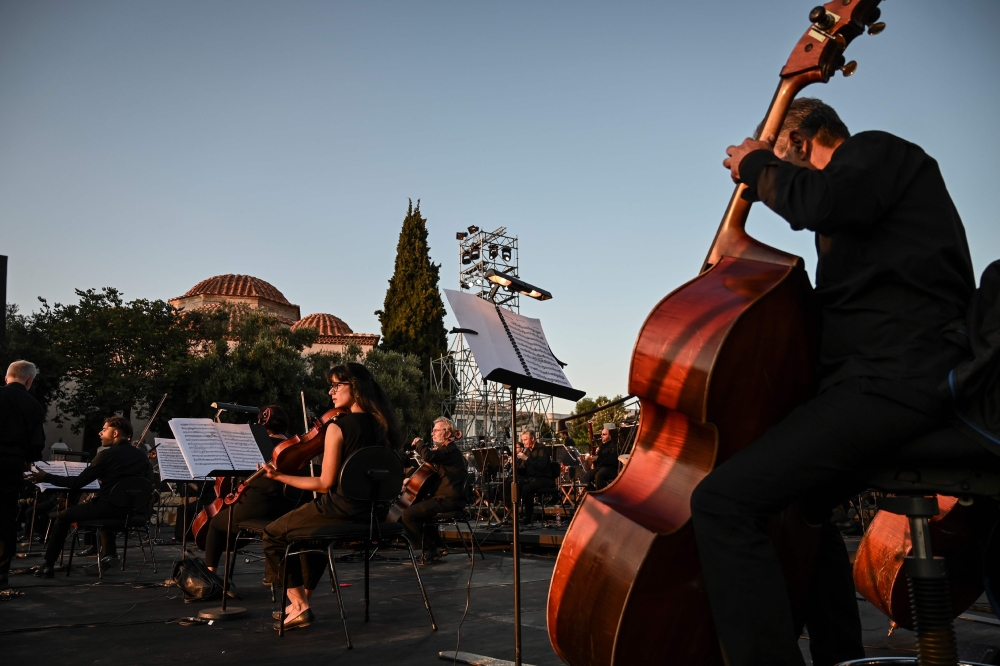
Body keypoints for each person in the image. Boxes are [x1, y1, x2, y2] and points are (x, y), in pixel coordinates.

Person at [690, 98, 976, 666]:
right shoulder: (867, 216)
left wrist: (754, 165)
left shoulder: (876, 151)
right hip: (884, 381)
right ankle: (838, 653)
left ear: (798, 140)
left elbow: (820, 201)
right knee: (804, 509)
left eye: (779, 153)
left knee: (720, 503)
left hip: (897, 383)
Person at [260, 362, 402, 631]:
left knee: (273, 533)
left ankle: (299, 605)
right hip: (376, 513)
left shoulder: (339, 427)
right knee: (312, 536)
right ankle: (300, 602)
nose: (331, 392)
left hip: (341, 509)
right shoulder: (386, 427)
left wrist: (279, 476)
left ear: (356, 388)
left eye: (337, 385)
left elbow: (324, 484)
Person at [26, 415, 152, 577]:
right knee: (105, 508)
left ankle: (48, 565)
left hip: (108, 509)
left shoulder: (106, 455)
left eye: (104, 429)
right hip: (132, 512)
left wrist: (46, 477)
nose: (100, 433)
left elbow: (77, 483)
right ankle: (110, 555)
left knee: (63, 516)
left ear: (115, 433)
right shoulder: (142, 456)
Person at [203, 404, 306, 593]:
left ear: (262, 425)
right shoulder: (296, 448)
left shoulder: (256, 446)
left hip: (259, 508)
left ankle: (211, 577)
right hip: (289, 509)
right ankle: (271, 574)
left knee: (217, 523)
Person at [0, 361, 45, 587]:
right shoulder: (33, 404)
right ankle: (1, 571)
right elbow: (37, 443)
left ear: (7, 377)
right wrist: (27, 461)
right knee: (6, 516)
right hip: (11, 465)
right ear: (30, 380)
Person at [400, 416, 468, 563]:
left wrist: (419, 443)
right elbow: (429, 472)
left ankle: (429, 550)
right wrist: (410, 480)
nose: (432, 433)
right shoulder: (445, 452)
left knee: (407, 514)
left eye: (436, 430)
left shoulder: (450, 451)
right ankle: (439, 546)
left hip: (449, 499)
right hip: (445, 498)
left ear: (448, 433)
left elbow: (428, 456)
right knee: (420, 512)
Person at [504, 429, 556, 526]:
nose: (523, 442)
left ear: (532, 438)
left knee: (527, 488)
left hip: (544, 478)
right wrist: (514, 464)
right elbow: (523, 469)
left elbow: (541, 466)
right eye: (523, 440)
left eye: (525, 440)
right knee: (511, 483)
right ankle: (511, 514)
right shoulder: (527, 450)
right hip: (531, 478)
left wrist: (527, 459)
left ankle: (529, 517)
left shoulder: (542, 449)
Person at [585, 424, 620, 490]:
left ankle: (601, 495)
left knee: (598, 476)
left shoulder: (614, 446)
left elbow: (612, 460)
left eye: (604, 434)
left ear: (609, 436)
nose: (601, 436)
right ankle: (593, 493)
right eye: (601, 434)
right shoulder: (601, 446)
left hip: (610, 468)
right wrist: (592, 457)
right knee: (584, 478)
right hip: (600, 467)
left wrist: (598, 458)